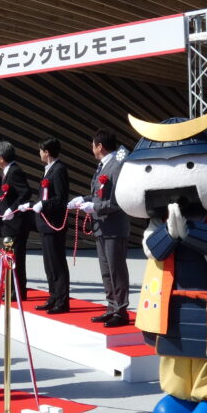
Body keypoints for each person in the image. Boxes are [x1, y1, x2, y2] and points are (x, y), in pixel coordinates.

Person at [72, 129, 131, 327]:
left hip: (113, 227)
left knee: (116, 270)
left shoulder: (117, 166)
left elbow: (119, 201)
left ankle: (121, 310)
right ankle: (112, 306)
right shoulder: (103, 166)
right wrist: (85, 199)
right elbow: (100, 196)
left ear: (100, 146)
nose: (92, 148)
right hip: (101, 226)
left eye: (93, 145)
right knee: (106, 271)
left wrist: (95, 206)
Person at [31, 137, 71, 313]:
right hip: (45, 223)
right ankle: (53, 296)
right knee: (48, 264)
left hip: (54, 223)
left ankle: (62, 301)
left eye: (41, 150)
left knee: (57, 263)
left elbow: (60, 198)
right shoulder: (48, 170)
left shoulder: (59, 169)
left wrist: (44, 205)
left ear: (46, 152)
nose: (39, 153)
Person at [0, 142, 34, 299]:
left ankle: (18, 291)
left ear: (1, 158)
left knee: (16, 258)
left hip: (16, 223)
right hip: (8, 223)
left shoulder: (15, 171)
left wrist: (13, 209)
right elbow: (5, 195)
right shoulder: (7, 172)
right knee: (10, 257)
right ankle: (12, 288)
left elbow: (25, 192)